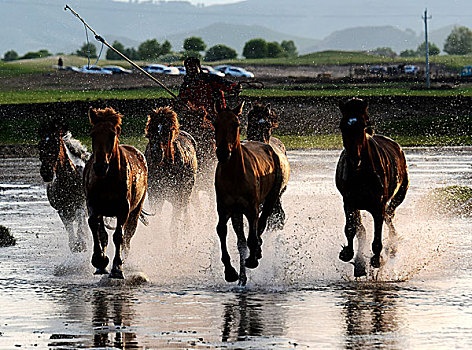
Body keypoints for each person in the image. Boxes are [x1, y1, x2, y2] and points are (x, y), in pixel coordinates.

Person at [177, 57, 242, 122]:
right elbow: (182, 100)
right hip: (196, 117)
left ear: (199, 67)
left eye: (194, 67)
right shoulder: (185, 85)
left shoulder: (210, 78)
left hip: (216, 115)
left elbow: (227, 86)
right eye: (189, 68)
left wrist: (235, 88)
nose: (192, 70)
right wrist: (179, 102)